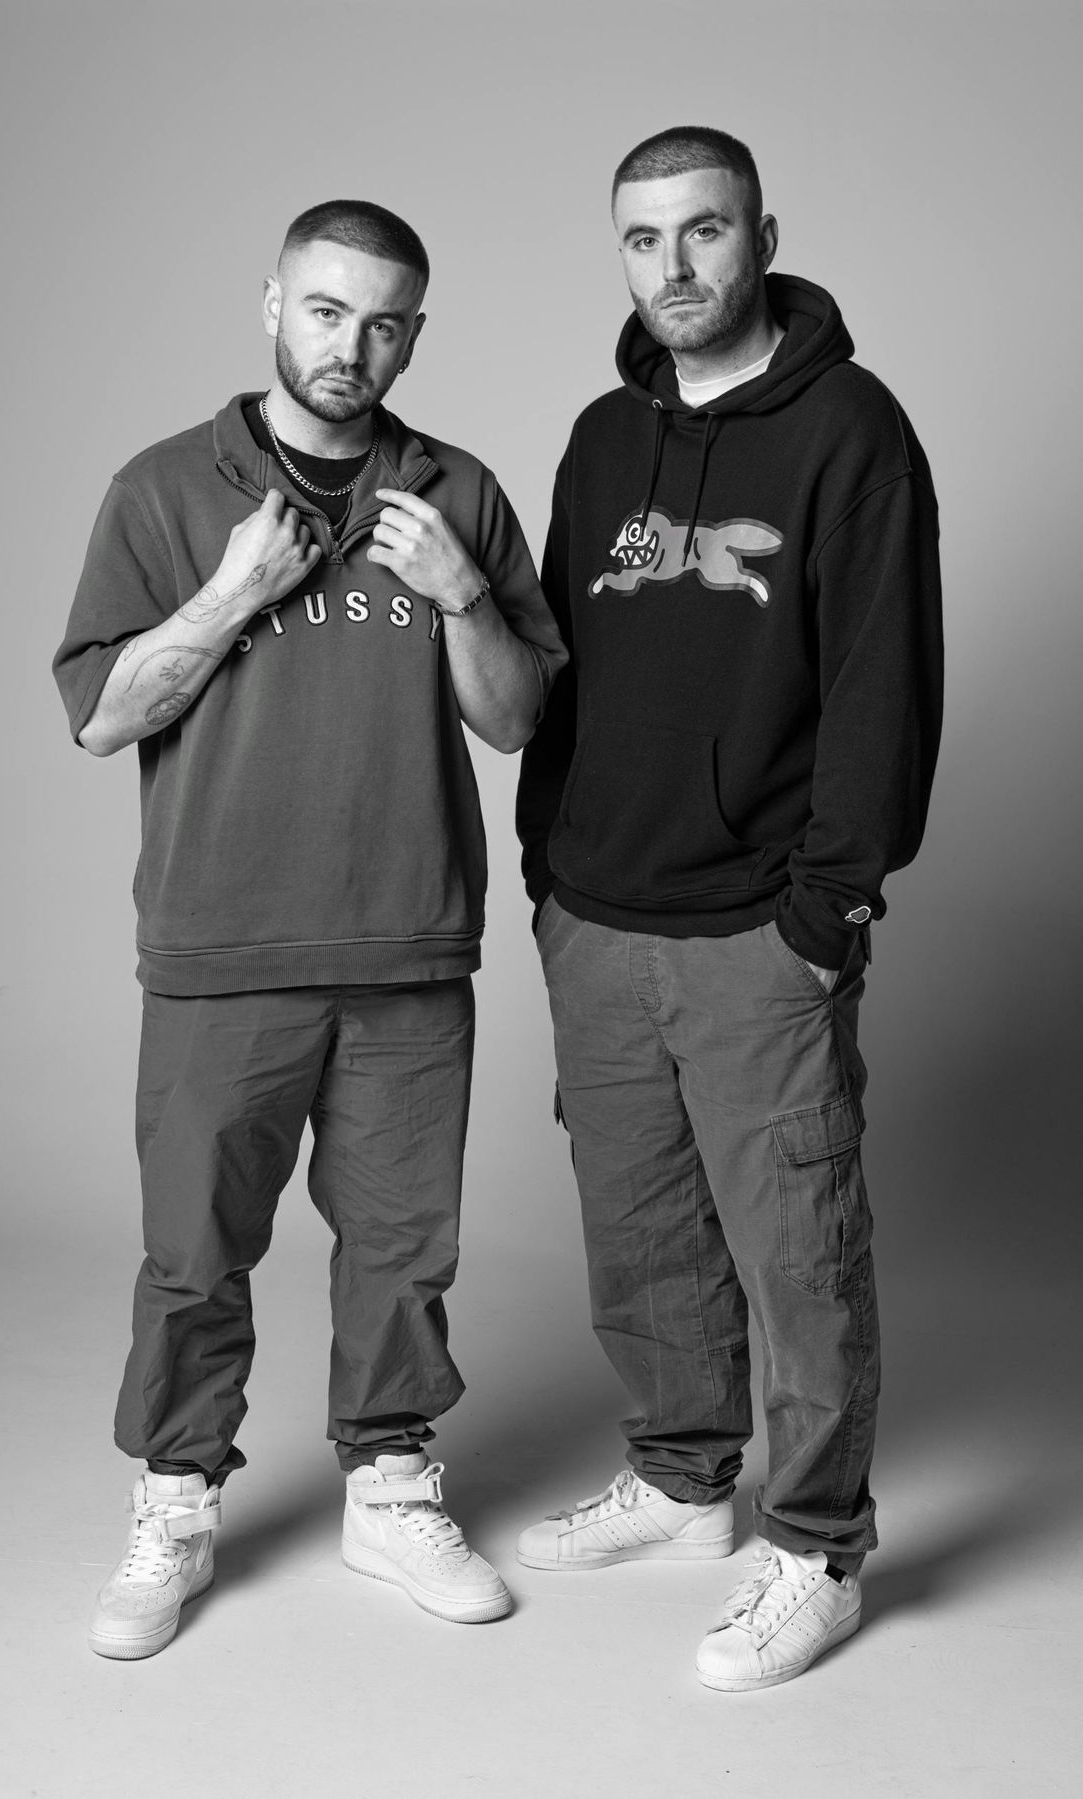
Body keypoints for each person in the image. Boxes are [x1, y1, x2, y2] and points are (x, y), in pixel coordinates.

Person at [54, 199, 566, 1659]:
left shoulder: (457, 491)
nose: (354, 346)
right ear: (272, 305)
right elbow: (102, 717)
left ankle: (390, 1488)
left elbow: (517, 719)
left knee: (404, 1251)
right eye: (328, 311)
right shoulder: (164, 489)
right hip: (221, 948)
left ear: (415, 335)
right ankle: (175, 1501)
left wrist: (462, 596)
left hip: (408, 945)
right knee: (193, 1253)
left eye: (385, 323)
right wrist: (233, 592)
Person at [515, 127, 942, 1691]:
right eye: (643, 238)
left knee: (799, 1249)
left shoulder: (850, 430)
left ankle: (817, 1548)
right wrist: (548, 867)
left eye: (703, 231)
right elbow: (558, 674)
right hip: (599, 918)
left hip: (762, 924)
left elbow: (884, 684)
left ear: (761, 234)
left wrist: (827, 908)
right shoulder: (598, 439)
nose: (674, 266)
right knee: (641, 1229)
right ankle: (685, 1480)